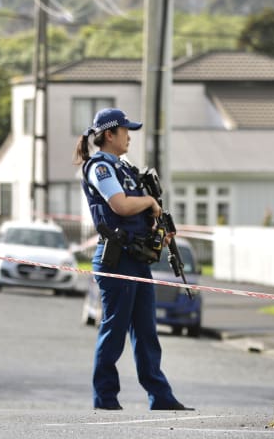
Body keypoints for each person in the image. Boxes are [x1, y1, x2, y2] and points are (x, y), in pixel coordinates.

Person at [74, 107, 191, 412]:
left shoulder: (124, 167)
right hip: (117, 259)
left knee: (146, 332)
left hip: (136, 258)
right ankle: (106, 399)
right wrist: (150, 202)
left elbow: (137, 214)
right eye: (126, 131)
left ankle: (161, 397)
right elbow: (121, 205)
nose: (129, 137)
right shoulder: (100, 167)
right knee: (114, 331)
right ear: (109, 134)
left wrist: (157, 231)